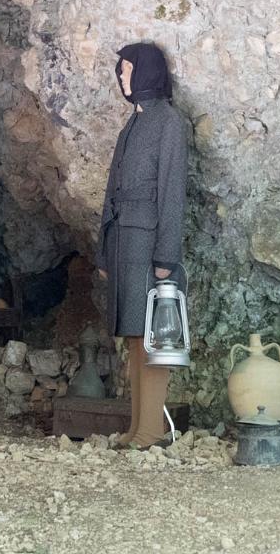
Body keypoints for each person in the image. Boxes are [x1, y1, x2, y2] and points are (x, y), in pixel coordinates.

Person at [97, 42, 189, 449]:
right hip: (123, 242)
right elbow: (111, 191)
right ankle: (139, 428)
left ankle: (151, 430)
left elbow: (172, 192)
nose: (121, 75)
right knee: (135, 336)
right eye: (121, 69)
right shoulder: (131, 125)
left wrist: (166, 255)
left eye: (127, 68)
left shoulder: (168, 122)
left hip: (148, 242)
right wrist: (103, 250)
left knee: (151, 338)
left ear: (147, 72)